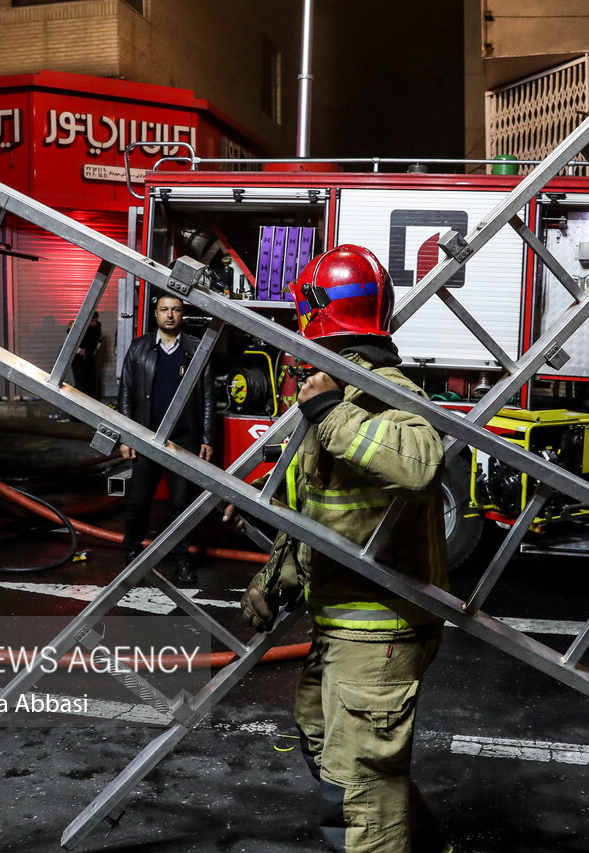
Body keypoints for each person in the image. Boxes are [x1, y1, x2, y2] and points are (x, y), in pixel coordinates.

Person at [226, 245, 450, 853]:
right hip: (344, 622)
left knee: (359, 793)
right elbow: (318, 514)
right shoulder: (338, 394)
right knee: (326, 744)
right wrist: (272, 583)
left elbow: (423, 461)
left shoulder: (379, 390)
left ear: (317, 316)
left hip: (378, 632)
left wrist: (330, 412)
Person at [117, 294, 216, 585]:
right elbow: (126, 394)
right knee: (139, 500)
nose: (170, 315)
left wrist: (207, 437)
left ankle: (182, 560)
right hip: (147, 438)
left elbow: (209, 397)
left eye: (175, 309)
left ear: (182, 314)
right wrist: (126, 436)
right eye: (164, 310)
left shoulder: (196, 349)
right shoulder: (139, 349)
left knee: (181, 504)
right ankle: (132, 553)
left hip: (183, 439)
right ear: (155, 314)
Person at [71, 310, 102, 397]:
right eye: (92, 321)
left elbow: (99, 340)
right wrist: (79, 350)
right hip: (78, 361)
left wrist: (94, 350)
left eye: (96, 321)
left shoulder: (97, 327)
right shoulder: (77, 326)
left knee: (91, 385)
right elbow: (69, 341)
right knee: (80, 385)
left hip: (90, 359)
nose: (94, 323)